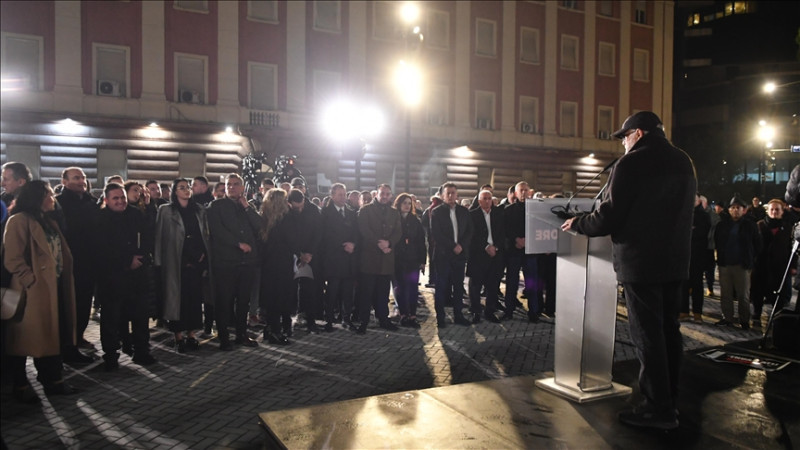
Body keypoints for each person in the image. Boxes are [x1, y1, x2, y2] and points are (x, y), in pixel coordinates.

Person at [561, 111, 696, 431]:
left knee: (647, 335)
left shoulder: (631, 163)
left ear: (637, 133)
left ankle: (657, 408)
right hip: (675, 262)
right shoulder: (682, 160)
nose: (622, 143)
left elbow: (608, 216)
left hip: (642, 263)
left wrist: (577, 224)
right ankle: (670, 399)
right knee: (668, 332)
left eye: (624, 136)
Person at [4, 181, 78, 402]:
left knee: (50, 334)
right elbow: (12, 257)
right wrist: (30, 280)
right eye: (48, 195)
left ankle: (52, 380)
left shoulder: (47, 220)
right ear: (36, 197)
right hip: (32, 291)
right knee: (24, 339)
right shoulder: (18, 220)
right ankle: (21, 385)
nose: (52, 199)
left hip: (52, 286)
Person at [95, 183, 157, 370]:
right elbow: (101, 249)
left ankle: (142, 351)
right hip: (112, 277)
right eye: (116, 198)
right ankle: (111, 355)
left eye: (122, 197)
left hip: (138, 275)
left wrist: (142, 258)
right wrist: (125, 261)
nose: (121, 201)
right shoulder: (100, 219)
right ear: (106, 200)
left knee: (140, 315)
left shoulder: (135, 214)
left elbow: (148, 237)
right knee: (111, 319)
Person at [207, 174, 264, 350]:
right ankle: (224, 338)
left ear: (242, 187)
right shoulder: (216, 206)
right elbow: (216, 231)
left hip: (246, 263)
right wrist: (237, 244)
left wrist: (247, 207)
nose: (231, 187)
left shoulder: (247, 206)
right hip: (226, 262)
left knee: (243, 302)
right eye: (228, 184)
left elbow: (260, 226)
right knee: (224, 301)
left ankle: (241, 334)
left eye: (236, 184)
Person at [154, 179, 212, 353]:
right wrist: (158, 261)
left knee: (194, 298)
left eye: (188, 187)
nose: (186, 190)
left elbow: (204, 234)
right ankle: (178, 336)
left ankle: (191, 334)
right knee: (176, 299)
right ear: (174, 191)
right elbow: (159, 237)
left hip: (196, 261)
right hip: (175, 260)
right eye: (182, 188)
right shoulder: (166, 210)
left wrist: (203, 254)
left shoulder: (199, 210)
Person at [54, 167, 99, 358]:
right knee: (67, 306)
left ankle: (78, 336)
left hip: (89, 262)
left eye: (83, 177)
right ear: (64, 181)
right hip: (69, 262)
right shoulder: (58, 204)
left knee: (83, 304)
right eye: (76, 178)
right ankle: (66, 345)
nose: (81, 181)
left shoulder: (92, 202)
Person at [355, 184, 401, 334]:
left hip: (386, 257)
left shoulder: (394, 212)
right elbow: (364, 230)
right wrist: (379, 243)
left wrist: (389, 243)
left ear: (391, 195)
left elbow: (398, 231)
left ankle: (383, 319)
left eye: (388, 194)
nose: (385, 196)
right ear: (377, 194)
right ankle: (363, 321)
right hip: (370, 257)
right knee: (366, 292)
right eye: (382, 194)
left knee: (383, 292)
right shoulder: (365, 210)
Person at [714, 195, 762, 330]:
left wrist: (751, 259)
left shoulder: (750, 225)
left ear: (744, 210)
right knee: (726, 294)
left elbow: (758, 245)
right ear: (729, 210)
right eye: (733, 208)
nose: (735, 210)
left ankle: (744, 320)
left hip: (742, 265)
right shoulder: (722, 225)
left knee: (743, 295)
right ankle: (727, 318)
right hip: (725, 264)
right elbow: (718, 242)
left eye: (738, 208)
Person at [430, 182, 473, 327]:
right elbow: (437, 234)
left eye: (453, 193)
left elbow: (469, 231)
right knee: (441, 287)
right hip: (443, 255)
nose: (450, 195)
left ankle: (458, 315)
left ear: (457, 194)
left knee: (459, 287)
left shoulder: (464, 211)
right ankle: (440, 317)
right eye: (447, 193)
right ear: (442, 195)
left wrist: (461, 246)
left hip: (459, 256)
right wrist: (453, 246)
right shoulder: (436, 212)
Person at [749, 199, 795, 329]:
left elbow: (792, 248)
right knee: (758, 292)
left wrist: (793, 266)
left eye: (777, 209)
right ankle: (756, 315)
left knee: (778, 296)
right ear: (767, 211)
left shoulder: (788, 228)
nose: (774, 212)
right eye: (772, 209)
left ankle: (777, 319)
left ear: (782, 211)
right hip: (760, 266)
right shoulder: (759, 225)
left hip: (779, 267)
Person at [258, 188, 295, 345]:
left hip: (267, 264)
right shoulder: (286, 218)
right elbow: (292, 239)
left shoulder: (263, 218)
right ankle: (276, 332)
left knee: (270, 298)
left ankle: (270, 329)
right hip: (282, 263)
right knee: (280, 298)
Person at [321, 183, 359, 331]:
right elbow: (325, 235)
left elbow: (357, 232)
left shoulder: (351, 212)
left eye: (344, 194)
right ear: (332, 196)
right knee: (332, 292)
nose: (343, 197)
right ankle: (329, 319)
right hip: (333, 259)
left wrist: (353, 244)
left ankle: (346, 318)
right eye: (340, 195)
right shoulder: (325, 213)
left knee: (348, 292)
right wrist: (342, 245)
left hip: (349, 259)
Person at [466, 189, 505, 324]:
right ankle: (476, 311)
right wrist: (486, 246)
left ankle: (490, 311)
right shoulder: (472, 215)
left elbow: (502, 233)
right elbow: (472, 235)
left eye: (489, 198)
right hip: (478, 255)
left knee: (493, 285)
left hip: (496, 254)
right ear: (479, 201)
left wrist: (496, 247)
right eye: (485, 199)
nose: (488, 201)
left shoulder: (499, 213)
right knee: (475, 285)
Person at [503, 181, 538, 321]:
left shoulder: (536, 210)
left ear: (530, 192)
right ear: (516, 193)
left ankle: (534, 312)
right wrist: (515, 240)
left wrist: (528, 241)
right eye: (521, 190)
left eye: (526, 190)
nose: (523, 193)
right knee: (512, 282)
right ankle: (509, 310)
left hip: (531, 252)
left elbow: (538, 229)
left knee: (532, 282)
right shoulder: (508, 210)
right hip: (514, 251)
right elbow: (505, 230)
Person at [392, 193, 427, 328]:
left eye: (408, 203)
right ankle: (403, 314)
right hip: (398, 260)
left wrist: (422, 261)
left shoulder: (415, 221)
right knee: (400, 288)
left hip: (413, 260)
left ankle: (412, 315)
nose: (407, 205)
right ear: (399, 204)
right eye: (404, 203)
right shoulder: (394, 219)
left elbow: (421, 242)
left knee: (412, 288)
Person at [680, 193, 711, 322]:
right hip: (683, 255)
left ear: (699, 201)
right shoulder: (683, 212)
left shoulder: (704, 215)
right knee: (683, 285)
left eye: (694, 199)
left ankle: (697, 313)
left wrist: (690, 231)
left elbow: (701, 233)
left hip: (698, 255)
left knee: (697, 285)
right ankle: (683, 311)